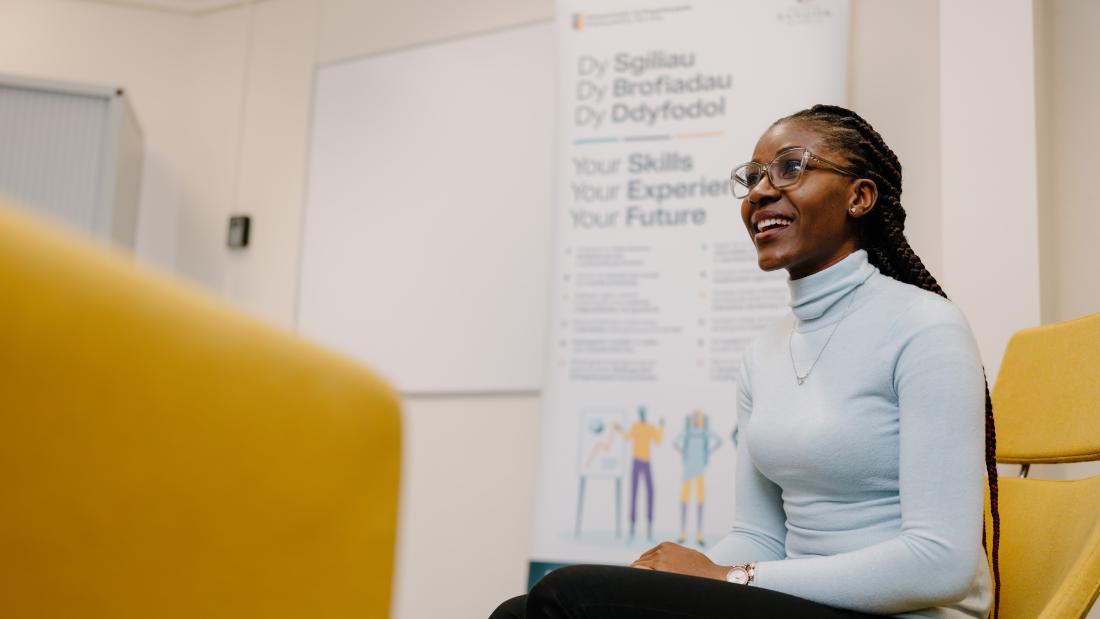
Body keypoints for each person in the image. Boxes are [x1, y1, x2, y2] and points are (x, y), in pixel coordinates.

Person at [489, 104, 1001, 619]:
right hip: (796, 598)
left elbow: (941, 563)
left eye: (790, 168)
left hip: (911, 613)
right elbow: (758, 534)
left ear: (860, 197)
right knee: (523, 610)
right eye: (753, 177)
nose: (760, 191)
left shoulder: (926, 327)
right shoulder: (764, 353)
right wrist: (667, 579)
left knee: (567, 597)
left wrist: (727, 577)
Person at [673, 410, 722, 546]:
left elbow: (719, 440)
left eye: (698, 418)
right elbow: (675, 442)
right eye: (694, 418)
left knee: (700, 502)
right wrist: (684, 453)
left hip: (699, 471)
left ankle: (699, 534)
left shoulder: (704, 432)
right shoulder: (688, 432)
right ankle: (683, 533)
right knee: (684, 500)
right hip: (688, 471)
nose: (696, 420)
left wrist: (707, 452)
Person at [616, 405, 665, 542]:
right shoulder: (635, 426)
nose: (642, 414)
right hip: (636, 461)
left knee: (650, 493)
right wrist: (619, 430)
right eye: (640, 412)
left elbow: (658, 440)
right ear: (639, 413)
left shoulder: (650, 427)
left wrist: (661, 427)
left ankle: (649, 529)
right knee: (634, 493)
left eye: (644, 412)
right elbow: (627, 437)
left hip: (646, 462)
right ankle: (632, 529)